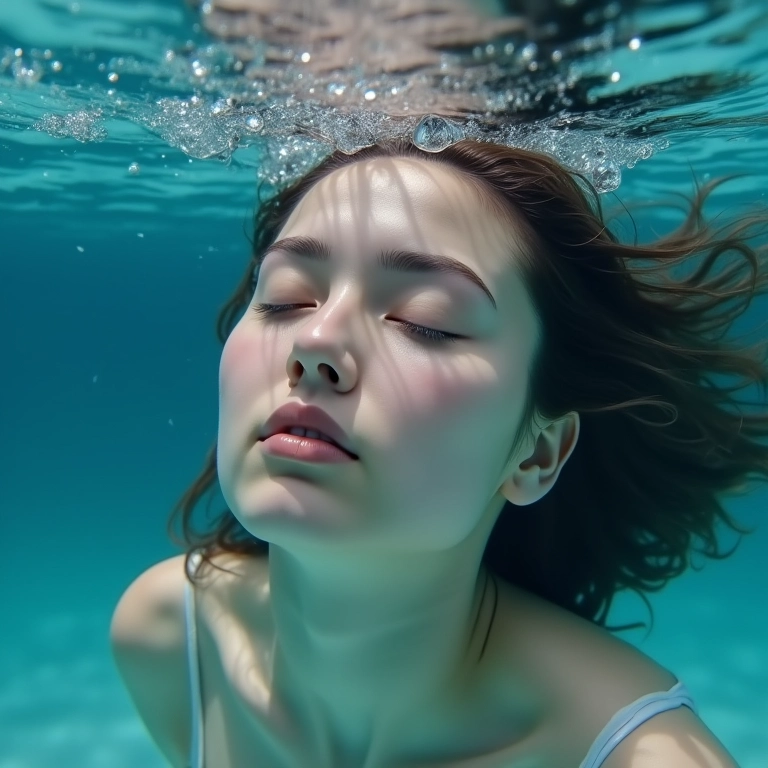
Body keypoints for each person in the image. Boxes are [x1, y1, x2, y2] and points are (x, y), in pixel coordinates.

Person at [110, 137, 767, 767]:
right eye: (286, 297)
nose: (314, 342)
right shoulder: (169, 639)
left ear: (537, 455)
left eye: (426, 320)